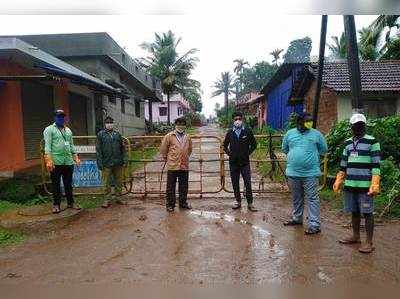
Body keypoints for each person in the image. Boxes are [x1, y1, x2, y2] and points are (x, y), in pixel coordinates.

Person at [333, 113, 381, 254]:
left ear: (364, 126)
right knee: (354, 211)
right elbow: (343, 164)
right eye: (356, 125)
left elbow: (376, 165)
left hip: (366, 186)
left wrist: (375, 183)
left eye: (361, 125)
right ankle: (355, 236)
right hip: (350, 184)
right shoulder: (348, 143)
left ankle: (369, 242)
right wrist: (339, 180)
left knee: (367, 213)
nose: (358, 127)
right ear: (351, 127)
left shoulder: (372, 142)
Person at [282, 112, 328, 234]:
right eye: (307, 121)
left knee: (312, 198)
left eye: (311, 121)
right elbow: (285, 149)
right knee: (297, 197)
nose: (310, 123)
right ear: (299, 122)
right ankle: (297, 218)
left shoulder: (316, 134)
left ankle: (314, 224)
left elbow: (324, 149)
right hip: (293, 173)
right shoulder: (289, 134)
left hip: (311, 173)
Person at [43, 109, 81, 214]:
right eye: (59, 116)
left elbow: (71, 145)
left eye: (62, 116)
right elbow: (47, 146)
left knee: (68, 184)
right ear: (55, 118)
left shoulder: (68, 130)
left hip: (68, 162)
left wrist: (76, 157)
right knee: (56, 185)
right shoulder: (49, 130)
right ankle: (56, 205)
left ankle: (71, 202)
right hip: (56, 162)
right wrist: (49, 160)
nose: (61, 118)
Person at [223, 111, 258, 211]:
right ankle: (238, 201)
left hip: (245, 163)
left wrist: (247, 153)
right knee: (235, 183)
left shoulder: (247, 131)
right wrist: (230, 154)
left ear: (242, 120)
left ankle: (250, 203)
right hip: (233, 163)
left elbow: (254, 145)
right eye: (235, 119)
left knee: (247, 182)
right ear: (233, 121)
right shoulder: (230, 132)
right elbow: (225, 146)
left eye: (239, 119)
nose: (237, 121)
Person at [160, 117, 193, 212]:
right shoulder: (169, 136)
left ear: (185, 126)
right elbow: (163, 149)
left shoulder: (188, 137)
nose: (181, 126)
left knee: (183, 186)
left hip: (184, 165)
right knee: (171, 186)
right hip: (172, 165)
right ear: (176, 125)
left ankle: (183, 203)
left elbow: (189, 149)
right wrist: (167, 158)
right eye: (179, 124)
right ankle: (170, 204)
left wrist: (184, 156)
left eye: (183, 124)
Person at [96, 116, 127, 208]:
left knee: (119, 181)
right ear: (105, 124)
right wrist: (100, 162)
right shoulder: (100, 135)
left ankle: (118, 198)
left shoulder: (117, 134)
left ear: (113, 124)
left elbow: (123, 149)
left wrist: (124, 159)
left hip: (118, 162)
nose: (109, 124)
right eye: (108, 122)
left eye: (111, 122)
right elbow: (98, 150)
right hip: (106, 163)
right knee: (106, 182)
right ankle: (107, 199)